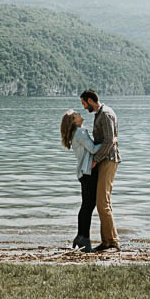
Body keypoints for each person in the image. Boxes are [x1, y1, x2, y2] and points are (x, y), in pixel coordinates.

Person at [80, 88, 120, 252]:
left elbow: (110, 140)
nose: (83, 107)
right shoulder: (100, 114)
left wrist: (95, 160)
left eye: (83, 103)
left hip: (108, 160)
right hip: (104, 160)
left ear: (90, 100)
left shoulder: (105, 114)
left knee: (103, 203)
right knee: (103, 203)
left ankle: (113, 241)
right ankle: (107, 241)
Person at [59, 109, 100, 252]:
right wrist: (109, 142)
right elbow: (94, 149)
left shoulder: (75, 133)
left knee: (86, 206)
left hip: (83, 172)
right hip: (88, 172)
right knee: (89, 206)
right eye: (77, 115)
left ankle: (81, 236)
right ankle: (84, 239)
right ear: (73, 121)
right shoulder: (81, 133)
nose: (81, 115)